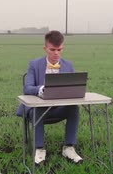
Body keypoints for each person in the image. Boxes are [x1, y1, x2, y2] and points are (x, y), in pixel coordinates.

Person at [16, 30, 82, 165]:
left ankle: (69, 148)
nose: (56, 53)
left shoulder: (68, 65)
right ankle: (39, 149)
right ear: (45, 48)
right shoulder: (34, 65)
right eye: (52, 49)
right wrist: (41, 89)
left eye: (59, 49)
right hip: (38, 110)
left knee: (74, 109)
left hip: (58, 109)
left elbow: (73, 88)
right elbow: (27, 88)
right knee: (37, 109)